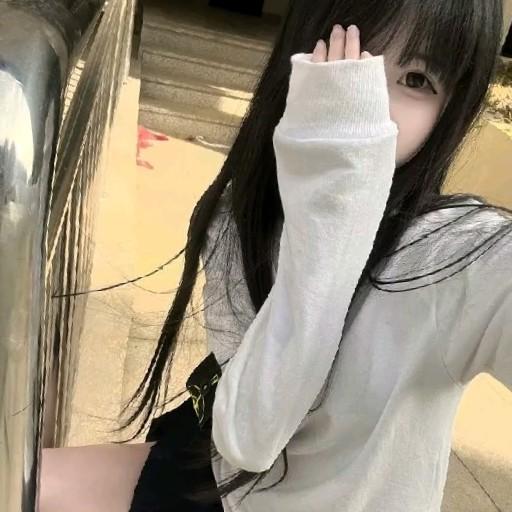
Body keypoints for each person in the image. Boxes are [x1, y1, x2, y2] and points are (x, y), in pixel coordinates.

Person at [41, 1, 512, 511]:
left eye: (417, 80)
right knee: (26, 483)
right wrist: (335, 209)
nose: (367, 104)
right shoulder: (239, 220)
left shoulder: (453, 253)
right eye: (347, 60)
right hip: (224, 475)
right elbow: (249, 436)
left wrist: (342, 179)